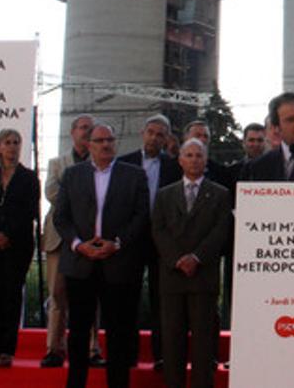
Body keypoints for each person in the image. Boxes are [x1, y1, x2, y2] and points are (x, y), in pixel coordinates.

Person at [53, 122, 150, 388]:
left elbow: (141, 216)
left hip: (118, 263)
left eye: (110, 140)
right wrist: (77, 244)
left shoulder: (134, 175)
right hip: (80, 262)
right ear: (89, 145)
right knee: (79, 332)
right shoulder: (73, 175)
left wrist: (117, 243)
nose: (106, 144)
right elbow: (61, 218)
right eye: (100, 141)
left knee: (118, 333)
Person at [152, 138, 232, 388]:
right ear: (180, 160)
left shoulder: (220, 193)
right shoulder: (165, 194)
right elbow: (158, 229)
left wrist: (197, 257)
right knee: (172, 342)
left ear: (206, 160)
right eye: (189, 155)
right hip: (172, 277)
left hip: (203, 277)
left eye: (199, 155)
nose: (194, 160)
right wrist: (177, 258)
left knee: (203, 344)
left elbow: (221, 231)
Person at [119, 113, 182, 368]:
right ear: (143, 133)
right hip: (131, 238)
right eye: (151, 132)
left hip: (162, 241)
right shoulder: (123, 164)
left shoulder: (173, 166)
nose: (154, 138)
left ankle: (161, 355)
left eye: (160, 134)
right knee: (127, 297)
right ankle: (128, 354)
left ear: (167, 139)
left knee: (162, 300)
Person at [0, 128, 40, 367]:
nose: (12, 147)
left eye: (16, 142)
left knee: (12, 294)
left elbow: (30, 211)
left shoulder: (29, 177)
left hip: (18, 244)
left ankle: (8, 350)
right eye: (7, 142)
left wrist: (8, 233)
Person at [41, 115, 103, 368]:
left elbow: (103, 196)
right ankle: (54, 348)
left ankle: (92, 349)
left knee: (90, 295)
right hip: (59, 237)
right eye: (83, 128)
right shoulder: (57, 163)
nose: (87, 132)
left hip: (91, 238)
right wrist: (81, 198)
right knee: (57, 295)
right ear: (73, 131)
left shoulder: (101, 163)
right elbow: (52, 193)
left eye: (91, 129)